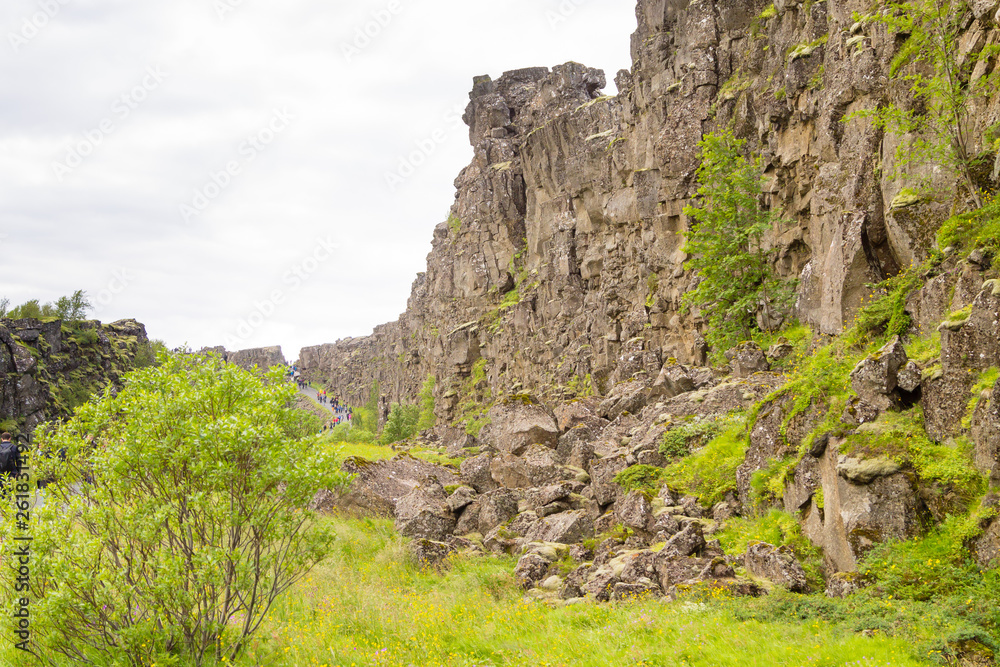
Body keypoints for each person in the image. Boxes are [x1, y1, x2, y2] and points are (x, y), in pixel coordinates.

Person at [0, 432, 21, 497]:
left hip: (0, 472)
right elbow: (19, 460)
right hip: (12, 472)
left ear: (1, 439)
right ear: (10, 438)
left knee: (1, 491)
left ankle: (2, 505)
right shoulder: (14, 447)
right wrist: (18, 471)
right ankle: (9, 504)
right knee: (10, 490)